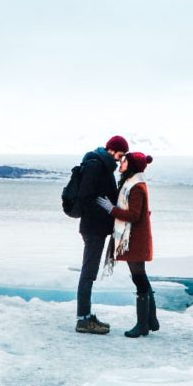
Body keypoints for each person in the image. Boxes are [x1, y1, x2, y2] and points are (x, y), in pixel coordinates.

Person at [96, 151, 158, 338]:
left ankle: (143, 324)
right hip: (136, 238)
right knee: (140, 277)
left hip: (135, 240)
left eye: (125, 161)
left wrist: (111, 209)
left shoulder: (136, 187)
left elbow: (134, 215)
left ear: (131, 166)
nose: (121, 163)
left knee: (139, 278)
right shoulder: (132, 184)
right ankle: (150, 320)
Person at [73, 134, 128, 334]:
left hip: (96, 227)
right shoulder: (96, 165)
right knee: (88, 272)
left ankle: (86, 316)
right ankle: (83, 319)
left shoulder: (103, 166)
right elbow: (86, 198)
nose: (120, 159)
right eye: (120, 154)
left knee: (90, 272)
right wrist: (107, 210)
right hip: (93, 228)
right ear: (112, 149)